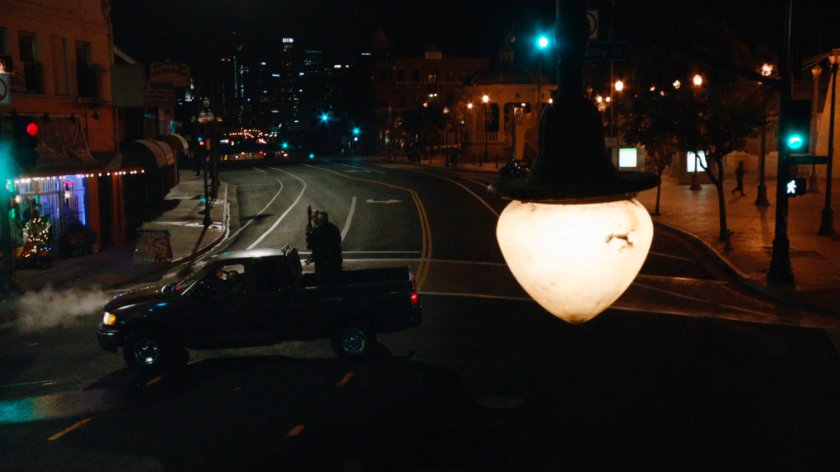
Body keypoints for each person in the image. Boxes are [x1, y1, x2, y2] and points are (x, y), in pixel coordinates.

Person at [306, 210, 343, 284]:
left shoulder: (318, 231)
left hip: (322, 263)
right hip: (335, 260)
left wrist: (309, 233)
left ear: (319, 220)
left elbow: (311, 245)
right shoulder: (334, 228)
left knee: (322, 282)